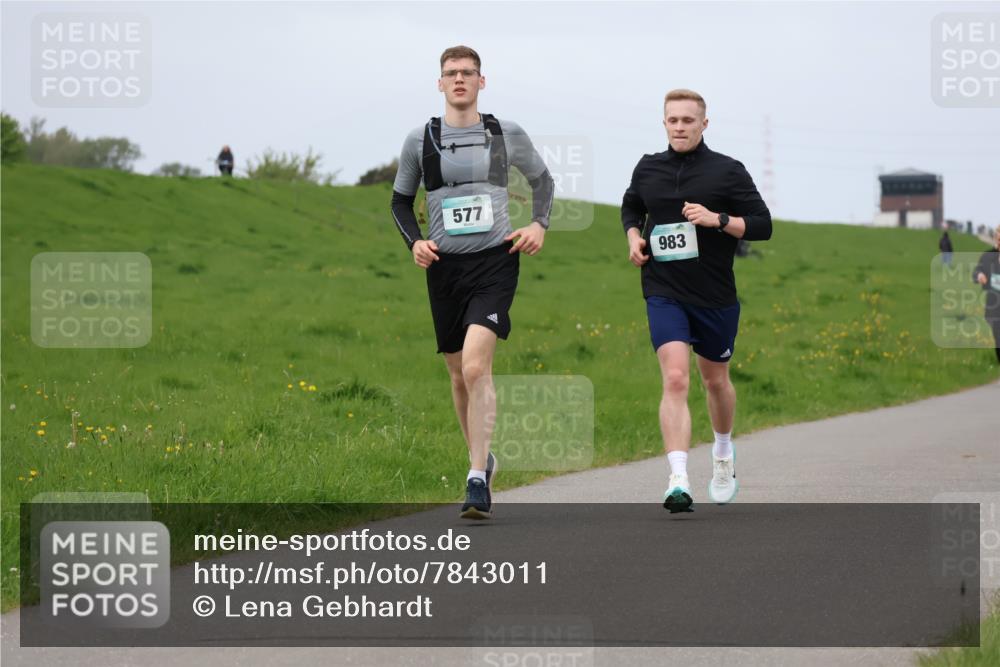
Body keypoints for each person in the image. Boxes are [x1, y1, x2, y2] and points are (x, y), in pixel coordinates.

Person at [390, 45, 554, 519]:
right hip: (444, 268)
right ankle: (481, 458)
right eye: (450, 73)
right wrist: (415, 243)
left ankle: (476, 478)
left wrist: (538, 224)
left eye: (468, 73)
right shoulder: (421, 140)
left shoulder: (503, 133)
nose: (459, 79)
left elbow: (543, 182)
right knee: (458, 373)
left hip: (495, 263)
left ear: (483, 82)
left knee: (478, 368)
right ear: (439, 83)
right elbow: (400, 202)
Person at [621, 89, 772, 513]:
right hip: (663, 290)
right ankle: (677, 478)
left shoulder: (727, 171)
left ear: (705, 124)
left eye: (689, 120)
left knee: (714, 381)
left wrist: (717, 220)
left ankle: (723, 454)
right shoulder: (648, 167)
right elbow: (631, 205)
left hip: (714, 296)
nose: (680, 127)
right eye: (673, 120)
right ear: (664, 123)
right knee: (675, 379)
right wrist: (634, 236)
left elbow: (763, 225)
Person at [972, 227, 1000, 365]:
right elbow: (976, 271)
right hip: (994, 306)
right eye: (999, 238)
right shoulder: (988, 256)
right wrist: (979, 275)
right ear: (996, 238)